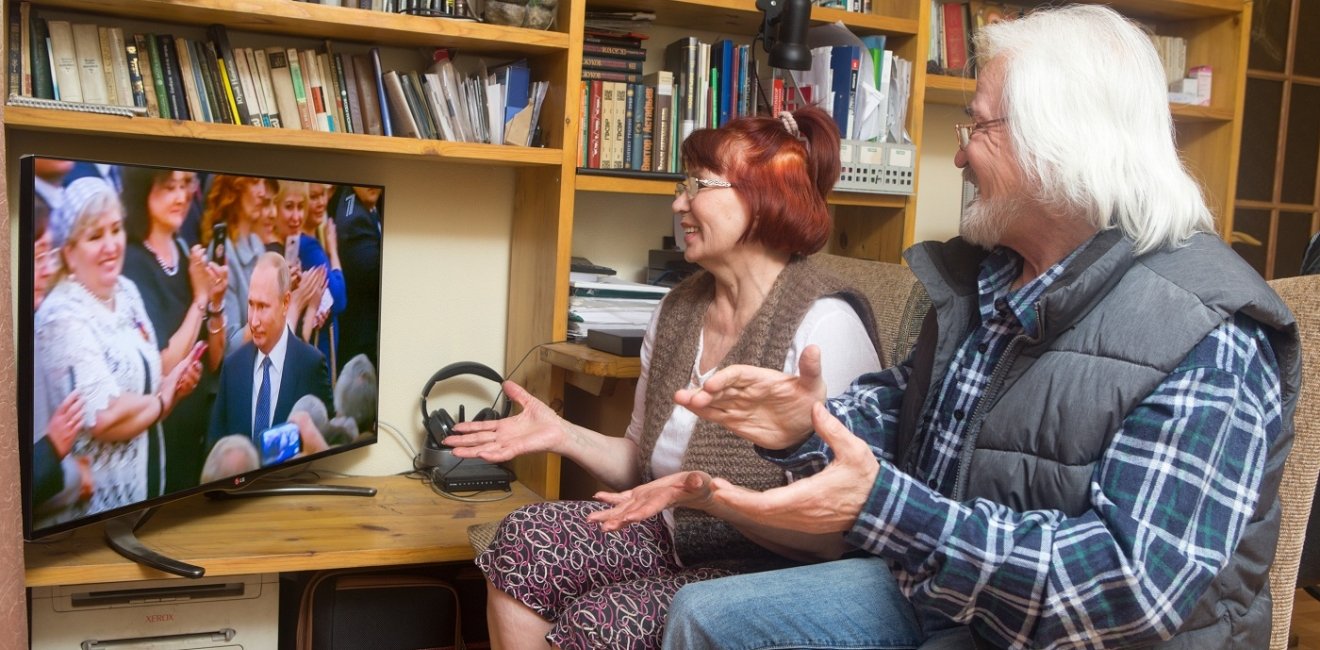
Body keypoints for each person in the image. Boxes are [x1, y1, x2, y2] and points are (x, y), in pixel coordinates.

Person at [635, 6, 1300, 649]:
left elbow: (1131, 591)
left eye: (976, 130)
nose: (958, 159)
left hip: (1073, 638)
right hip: (946, 597)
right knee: (703, 615)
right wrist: (811, 424)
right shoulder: (996, 278)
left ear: (1056, 141)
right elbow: (911, 412)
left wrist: (894, 511)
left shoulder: (1208, 335)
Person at [444, 106, 884, 650]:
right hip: (678, 533)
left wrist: (713, 499)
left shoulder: (826, 324)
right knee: (525, 538)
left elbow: (833, 536)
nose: (679, 203)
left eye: (698, 184)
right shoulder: (678, 309)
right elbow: (642, 459)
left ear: (767, 193)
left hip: (775, 567)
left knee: (599, 621)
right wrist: (562, 434)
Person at [34, 177, 203, 519]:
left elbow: (144, 391)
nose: (111, 245)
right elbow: (106, 416)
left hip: (147, 497)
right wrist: (162, 398)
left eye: (115, 229)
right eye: (95, 236)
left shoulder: (126, 291)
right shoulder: (62, 315)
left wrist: (171, 387)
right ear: (68, 251)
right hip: (96, 516)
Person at [121, 167, 230, 494]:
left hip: (195, 432)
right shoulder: (132, 264)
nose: (181, 197)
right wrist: (199, 299)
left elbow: (214, 359)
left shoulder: (186, 251)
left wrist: (217, 301)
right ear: (144, 191)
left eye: (185, 185)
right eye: (169, 187)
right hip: (158, 437)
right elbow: (162, 364)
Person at [208, 252, 333, 449]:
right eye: (251, 304)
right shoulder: (233, 368)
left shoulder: (311, 365)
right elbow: (215, 449)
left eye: (263, 307)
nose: (254, 321)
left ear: (285, 303)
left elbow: (325, 446)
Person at [201, 175, 276, 352]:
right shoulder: (222, 252)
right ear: (233, 189)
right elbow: (230, 347)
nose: (263, 192)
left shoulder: (257, 244)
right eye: (254, 182)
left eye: (263, 183)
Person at [333, 185, 382, 375]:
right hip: (360, 341)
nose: (373, 185)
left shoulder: (363, 201)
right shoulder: (355, 221)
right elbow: (376, 278)